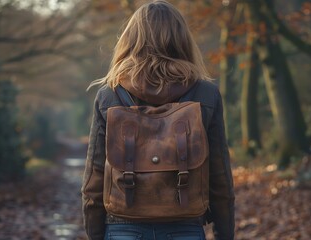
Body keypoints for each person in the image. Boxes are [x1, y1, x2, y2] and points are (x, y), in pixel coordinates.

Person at [81, 1, 235, 239]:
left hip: (123, 227)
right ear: (182, 39)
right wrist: (224, 233)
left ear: (131, 39)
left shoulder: (109, 94)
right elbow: (220, 176)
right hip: (186, 226)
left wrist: (94, 233)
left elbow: (95, 177)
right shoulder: (205, 93)